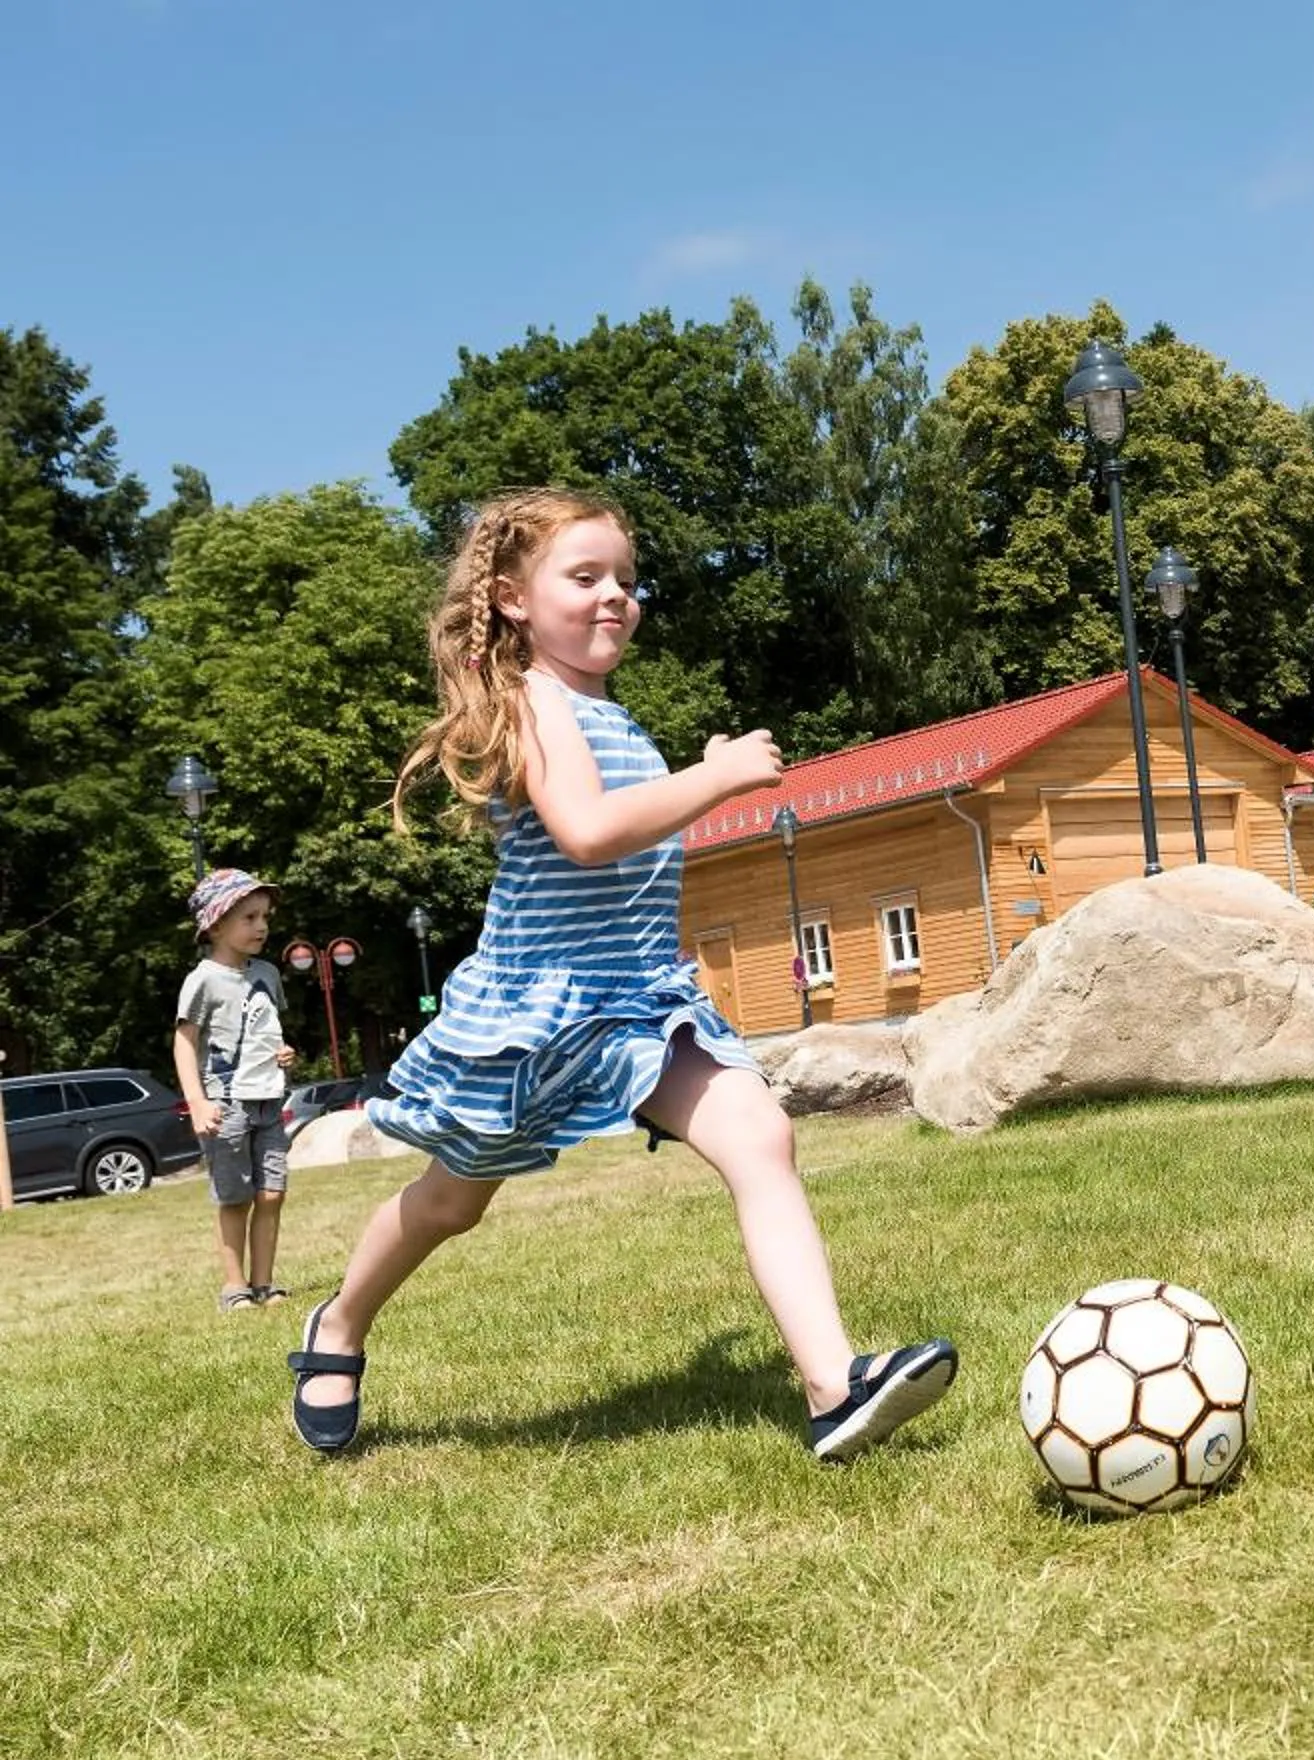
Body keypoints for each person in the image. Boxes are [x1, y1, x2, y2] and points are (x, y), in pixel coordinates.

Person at [285, 488, 955, 1461]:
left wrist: (694, 783)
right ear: (513, 597)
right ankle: (337, 1325)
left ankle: (832, 1385)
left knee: (757, 1132)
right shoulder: (535, 703)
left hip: (638, 999)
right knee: (450, 1201)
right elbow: (589, 834)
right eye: (586, 577)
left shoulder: (612, 716)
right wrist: (716, 776)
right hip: (540, 1011)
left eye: (628, 582)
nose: (616, 598)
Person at [170, 868, 298, 1310]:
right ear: (216, 924)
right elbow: (184, 1043)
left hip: (268, 1099)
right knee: (235, 1197)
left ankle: (265, 1284)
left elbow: (267, 1032)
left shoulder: (267, 973)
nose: (262, 925)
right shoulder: (202, 979)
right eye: (249, 917)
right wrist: (198, 1102)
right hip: (226, 1105)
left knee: (272, 1193)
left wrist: (283, 1054)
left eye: (264, 916)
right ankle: (234, 1287)